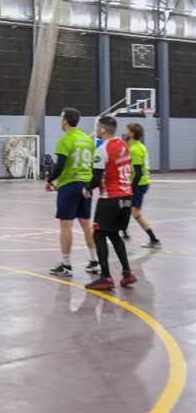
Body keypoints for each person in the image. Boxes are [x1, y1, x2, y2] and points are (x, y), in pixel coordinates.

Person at [83, 117, 138, 290]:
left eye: (98, 127)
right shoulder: (123, 145)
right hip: (127, 197)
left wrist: (87, 188)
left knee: (98, 234)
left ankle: (106, 277)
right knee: (114, 234)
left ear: (103, 130)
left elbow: (96, 178)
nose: (96, 130)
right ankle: (127, 273)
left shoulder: (102, 149)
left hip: (110, 198)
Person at [45, 107, 99, 277]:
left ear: (66, 121)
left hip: (69, 186)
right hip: (86, 185)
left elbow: (60, 167)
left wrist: (49, 180)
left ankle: (66, 265)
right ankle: (94, 260)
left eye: (62, 119)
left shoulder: (65, 140)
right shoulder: (88, 140)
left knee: (66, 225)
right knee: (86, 224)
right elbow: (92, 164)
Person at [123, 123, 161, 248]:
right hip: (140, 183)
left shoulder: (135, 150)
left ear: (132, 133)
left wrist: (130, 189)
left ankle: (154, 239)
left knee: (135, 213)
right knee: (124, 206)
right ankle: (124, 232)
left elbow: (138, 173)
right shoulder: (137, 146)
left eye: (127, 130)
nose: (125, 132)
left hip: (139, 184)